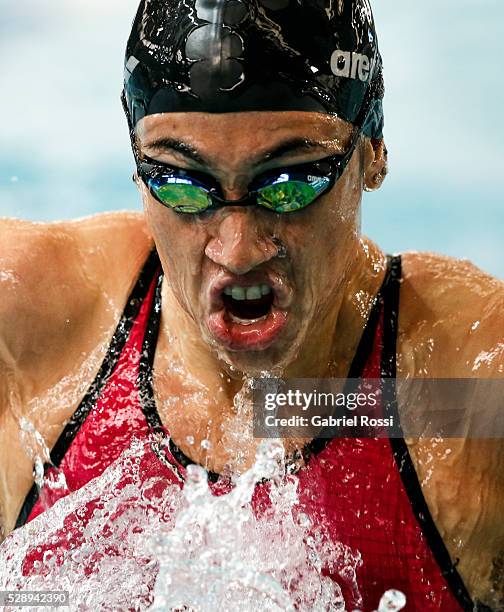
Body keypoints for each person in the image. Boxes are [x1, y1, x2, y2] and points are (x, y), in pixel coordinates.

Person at [0, 0, 502, 609]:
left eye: (289, 184)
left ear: (371, 154)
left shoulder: (465, 387)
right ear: (135, 168)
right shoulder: (31, 321)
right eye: (183, 184)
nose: (238, 250)